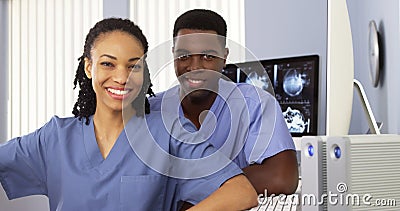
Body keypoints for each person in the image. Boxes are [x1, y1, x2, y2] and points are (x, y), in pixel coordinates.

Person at [0, 18, 258, 211]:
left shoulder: (167, 133)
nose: (122, 77)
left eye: (133, 66)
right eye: (107, 64)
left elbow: (241, 192)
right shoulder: (55, 137)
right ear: (89, 68)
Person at [149, 9, 299, 202]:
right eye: (184, 56)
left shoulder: (254, 104)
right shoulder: (152, 109)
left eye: (208, 56)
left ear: (224, 56)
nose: (194, 67)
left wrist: (187, 191)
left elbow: (281, 179)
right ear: (173, 54)